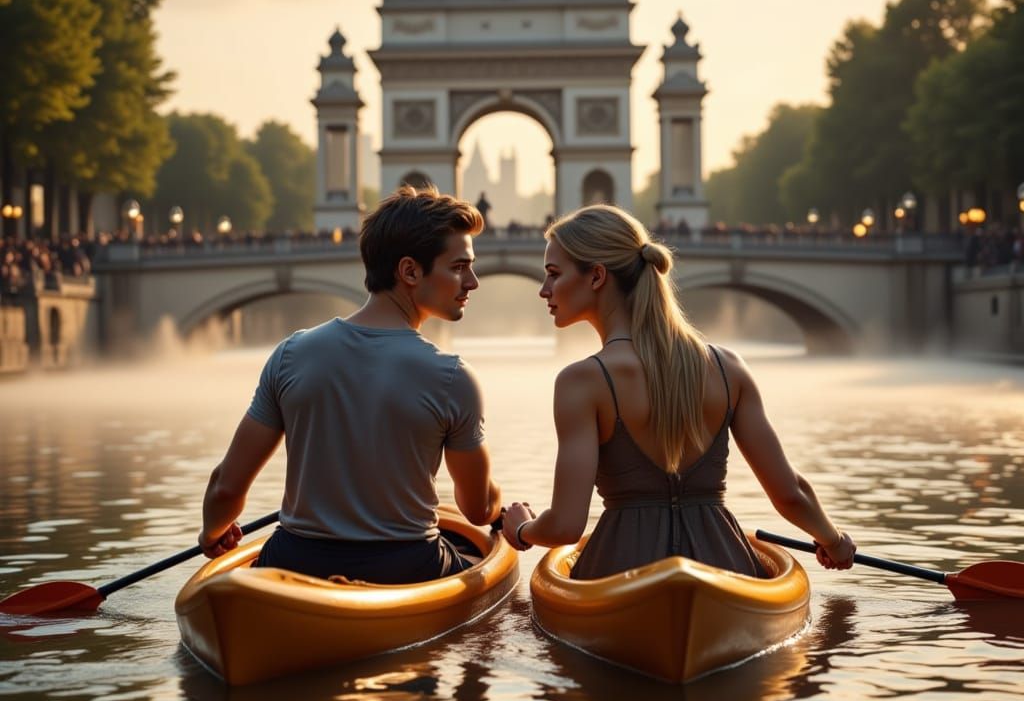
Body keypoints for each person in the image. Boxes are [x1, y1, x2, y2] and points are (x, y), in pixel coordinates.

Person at [501, 204, 856, 578]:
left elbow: (565, 526)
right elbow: (790, 493)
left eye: (554, 274)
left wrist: (522, 529)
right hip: (724, 566)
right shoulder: (728, 368)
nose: (543, 289)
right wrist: (833, 541)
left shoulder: (581, 382)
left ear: (597, 276)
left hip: (619, 571)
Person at [198, 185, 503, 582]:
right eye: (460, 267)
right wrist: (505, 510)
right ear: (410, 271)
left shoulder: (291, 354)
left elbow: (225, 487)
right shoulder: (453, 376)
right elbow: (478, 508)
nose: (473, 281)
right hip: (406, 564)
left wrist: (212, 534)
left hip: (293, 559)